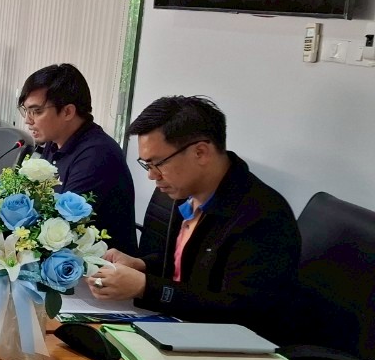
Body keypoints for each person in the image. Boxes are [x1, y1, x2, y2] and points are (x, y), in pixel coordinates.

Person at [86, 96, 299, 341]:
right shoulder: (189, 195)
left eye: (158, 163)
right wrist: (140, 265)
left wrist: (146, 287)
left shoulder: (262, 216)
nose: (152, 176)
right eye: (147, 165)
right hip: (179, 327)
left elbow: (240, 313)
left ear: (200, 152)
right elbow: (189, 266)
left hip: (227, 346)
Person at [15, 64, 136, 254]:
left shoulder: (97, 155)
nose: (28, 120)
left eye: (36, 111)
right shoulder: (54, 143)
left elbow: (62, 227)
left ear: (68, 112)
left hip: (100, 266)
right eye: (26, 111)